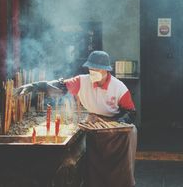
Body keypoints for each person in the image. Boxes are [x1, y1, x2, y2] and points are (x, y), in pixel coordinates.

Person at [15, 50, 137, 187]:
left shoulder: (119, 87)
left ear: (106, 71)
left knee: (119, 171)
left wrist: (119, 123)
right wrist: (36, 86)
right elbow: (60, 86)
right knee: (95, 169)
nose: (92, 72)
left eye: (96, 69)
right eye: (91, 69)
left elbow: (131, 112)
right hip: (95, 126)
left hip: (118, 131)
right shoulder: (82, 81)